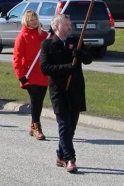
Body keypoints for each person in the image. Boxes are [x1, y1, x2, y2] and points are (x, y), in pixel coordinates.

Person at [40, 14, 92, 174]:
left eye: (70, 24)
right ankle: (70, 159)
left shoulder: (76, 41)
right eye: (66, 25)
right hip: (59, 91)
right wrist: (67, 67)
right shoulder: (47, 44)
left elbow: (89, 59)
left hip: (75, 90)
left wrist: (80, 54)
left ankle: (60, 155)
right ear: (56, 27)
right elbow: (45, 68)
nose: (70, 27)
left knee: (72, 127)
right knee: (64, 125)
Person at [13, 10, 49, 140]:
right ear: (26, 21)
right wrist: (21, 75)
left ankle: (33, 124)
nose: (34, 22)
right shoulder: (22, 36)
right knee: (35, 100)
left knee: (39, 101)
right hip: (29, 74)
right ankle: (36, 127)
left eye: (35, 19)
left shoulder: (44, 35)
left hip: (43, 74)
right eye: (31, 20)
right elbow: (17, 58)